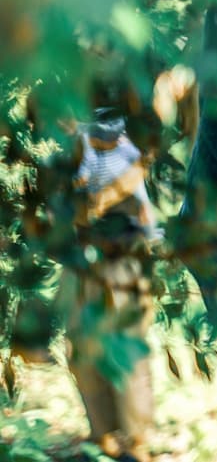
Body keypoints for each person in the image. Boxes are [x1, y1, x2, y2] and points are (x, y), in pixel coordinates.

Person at [64, 108, 160, 461]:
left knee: (127, 350)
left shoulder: (128, 153)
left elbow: (143, 209)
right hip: (84, 260)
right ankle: (103, 434)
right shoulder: (81, 151)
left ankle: (137, 442)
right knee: (83, 348)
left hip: (121, 261)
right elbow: (78, 207)